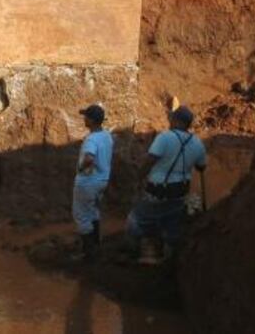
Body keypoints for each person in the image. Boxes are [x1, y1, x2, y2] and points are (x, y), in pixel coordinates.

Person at [127, 106, 207, 263]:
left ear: (176, 120)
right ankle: (170, 257)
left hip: (159, 191)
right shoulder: (197, 143)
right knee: (171, 222)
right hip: (180, 193)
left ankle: (143, 253)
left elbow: (150, 161)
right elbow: (201, 167)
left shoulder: (165, 137)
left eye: (172, 118)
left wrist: (139, 177)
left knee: (136, 220)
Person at [72, 104, 113, 262]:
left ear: (91, 120)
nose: (84, 119)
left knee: (81, 215)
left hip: (88, 182)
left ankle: (88, 253)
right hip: (102, 180)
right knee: (94, 211)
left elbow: (89, 158)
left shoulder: (91, 139)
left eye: (86, 117)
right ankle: (96, 245)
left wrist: (81, 167)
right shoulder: (107, 136)